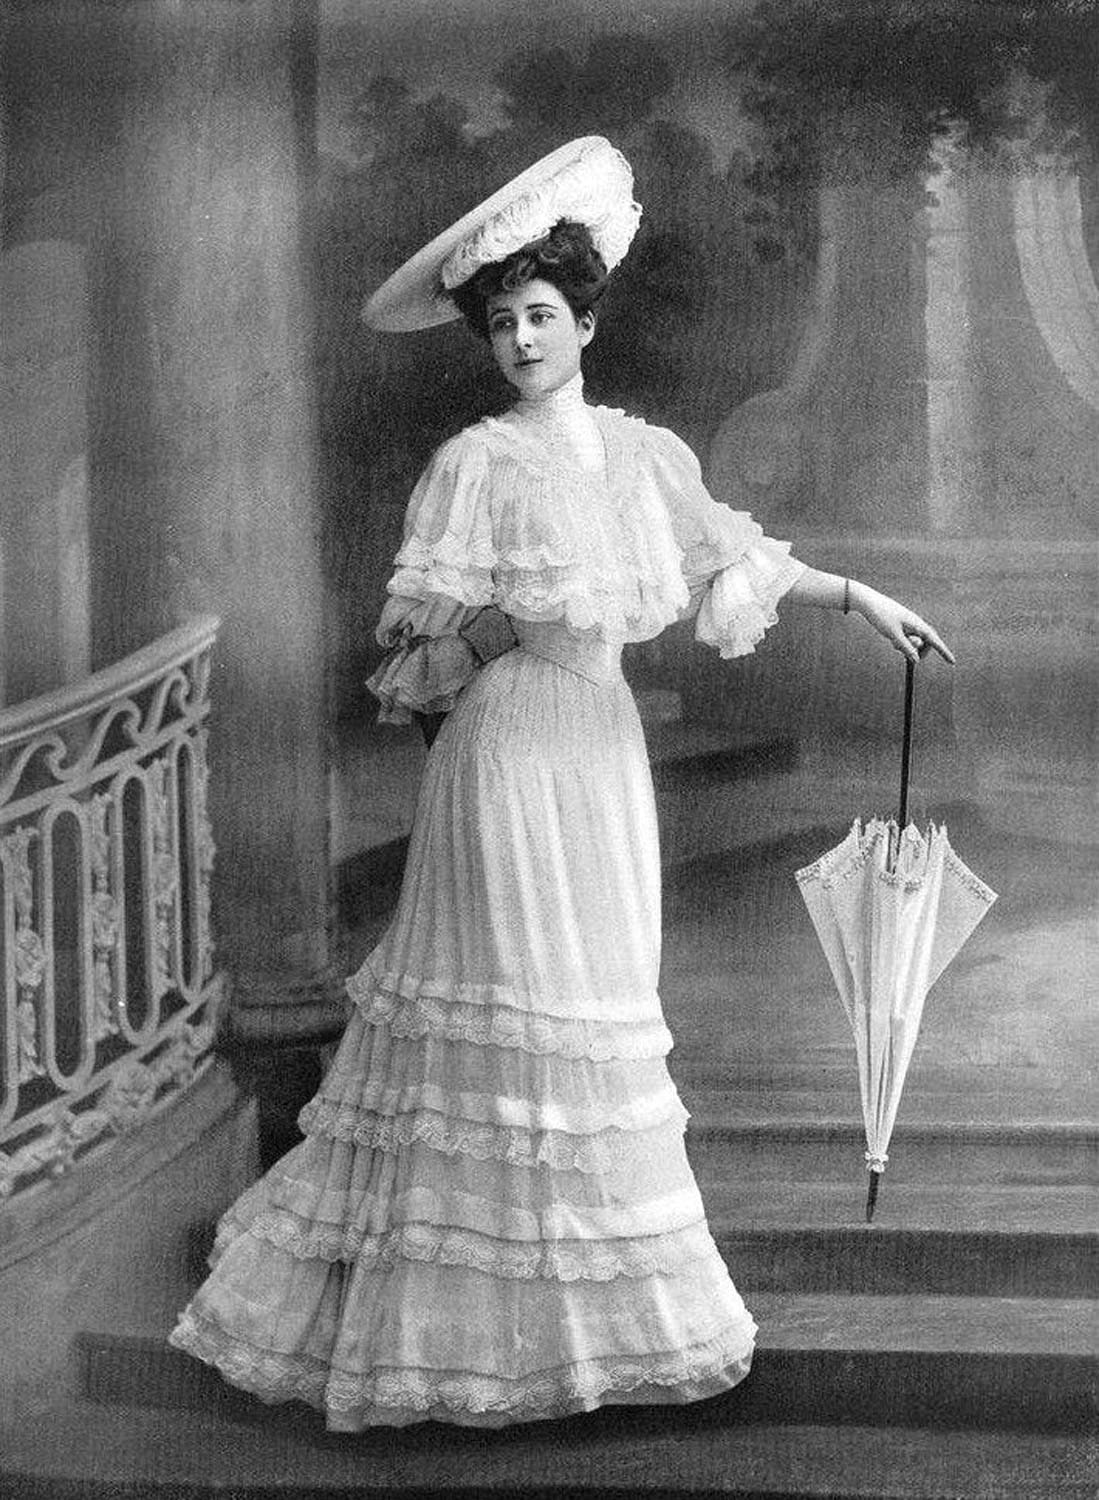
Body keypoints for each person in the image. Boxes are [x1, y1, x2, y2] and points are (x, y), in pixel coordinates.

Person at [171, 137, 952, 1430]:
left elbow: (732, 562)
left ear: (585, 323)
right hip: (508, 755)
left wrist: (863, 596)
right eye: (502, 324)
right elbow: (416, 647)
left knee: (595, 1006)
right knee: (511, 1004)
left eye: (541, 314)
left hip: (601, 752)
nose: (523, 339)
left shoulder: (646, 456)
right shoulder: (475, 463)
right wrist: (494, 632)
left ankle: (586, 1326)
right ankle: (453, 1341)